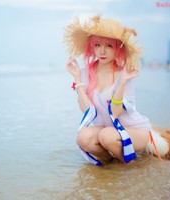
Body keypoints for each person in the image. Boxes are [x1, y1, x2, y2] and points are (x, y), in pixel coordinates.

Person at [64, 15, 151, 165]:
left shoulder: (125, 74)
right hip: (106, 129)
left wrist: (123, 82)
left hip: (133, 130)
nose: (102, 51)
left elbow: (116, 113)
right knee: (82, 137)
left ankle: (129, 166)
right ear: (92, 46)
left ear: (118, 48)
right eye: (97, 44)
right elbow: (86, 110)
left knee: (107, 136)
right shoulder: (85, 73)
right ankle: (110, 164)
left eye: (109, 46)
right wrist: (78, 79)